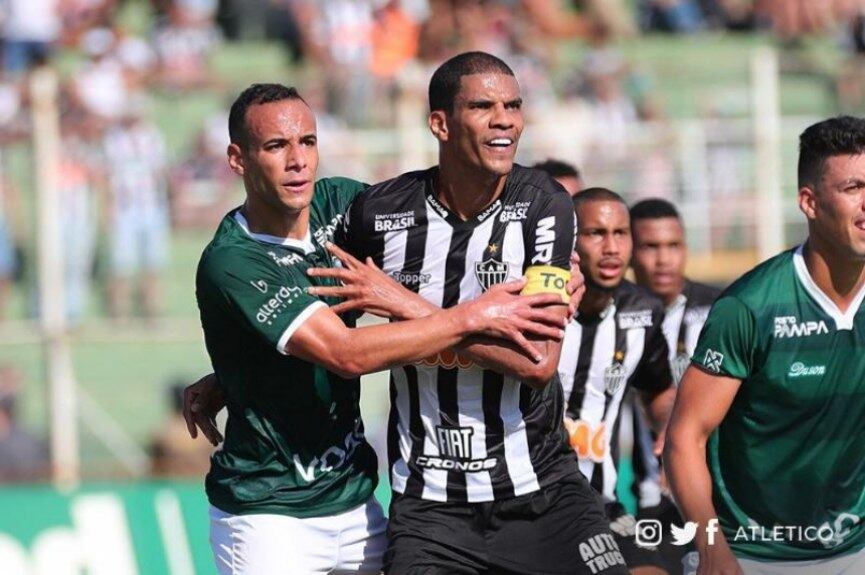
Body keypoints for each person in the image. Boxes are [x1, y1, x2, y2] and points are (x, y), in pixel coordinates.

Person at [194, 82, 569, 575]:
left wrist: (559, 268)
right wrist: (473, 316)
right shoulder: (234, 260)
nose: (297, 161)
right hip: (268, 514)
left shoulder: (342, 206)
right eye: (276, 146)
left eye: (307, 142)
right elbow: (346, 353)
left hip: (356, 501)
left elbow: (443, 245)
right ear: (238, 159)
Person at [313, 51, 627, 575]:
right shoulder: (382, 213)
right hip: (431, 510)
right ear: (440, 123)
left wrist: (403, 303)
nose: (505, 118)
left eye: (513, 105)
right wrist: (230, 377)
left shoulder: (544, 206)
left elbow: (537, 361)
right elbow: (325, 328)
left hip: (544, 496)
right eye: (483, 106)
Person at [665, 115, 865, 574]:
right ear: (809, 203)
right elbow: (684, 437)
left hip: (853, 547)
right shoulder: (749, 307)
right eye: (853, 188)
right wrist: (713, 549)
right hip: (752, 555)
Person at [560, 187, 677, 574]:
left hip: (600, 502)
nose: (611, 247)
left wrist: (672, 430)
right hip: (527, 504)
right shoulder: (538, 305)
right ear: (570, 241)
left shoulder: (641, 311)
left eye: (620, 234)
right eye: (596, 234)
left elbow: (658, 387)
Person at [627, 198, 721, 575]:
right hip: (647, 498)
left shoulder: (721, 309)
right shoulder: (618, 314)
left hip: (716, 492)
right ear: (630, 251)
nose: (664, 259)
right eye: (650, 246)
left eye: (673, 245)